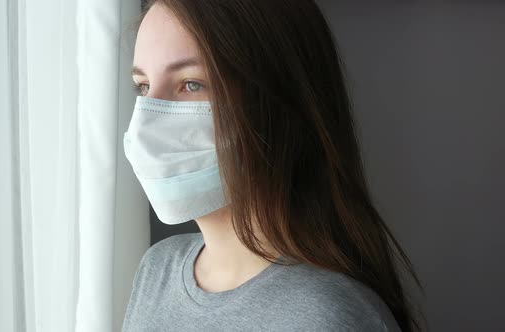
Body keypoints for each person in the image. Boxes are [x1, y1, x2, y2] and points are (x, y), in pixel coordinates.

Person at [121, 0, 426, 331]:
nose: (148, 120)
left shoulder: (325, 316)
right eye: (144, 86)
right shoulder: (157, 270)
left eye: (191, 84)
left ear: (277, 99)